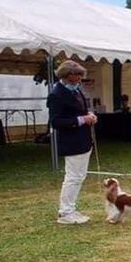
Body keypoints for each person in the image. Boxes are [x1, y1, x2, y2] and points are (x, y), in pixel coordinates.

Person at [47, 60, 98, 224]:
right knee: (73, 177)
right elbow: (56, 122)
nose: (80, 79)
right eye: (78, 76)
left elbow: (80, 110)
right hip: (72, 142)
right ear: (68, 75)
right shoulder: (56, 95)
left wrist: (89, 115)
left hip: (83, 140)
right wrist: (82, 119)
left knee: (79, 176)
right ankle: (66, 212)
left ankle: (71, 208)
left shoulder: (76, 90)